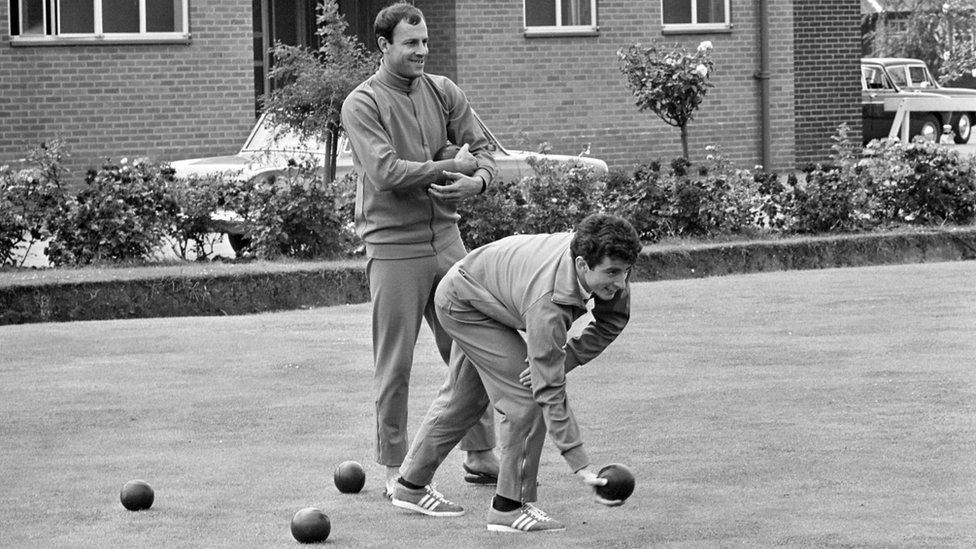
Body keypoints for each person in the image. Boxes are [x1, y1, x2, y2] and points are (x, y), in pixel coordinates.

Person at [390, 213, 643, 532]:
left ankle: (410, 485)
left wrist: (566, 358)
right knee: (525, 400)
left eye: (626, 272)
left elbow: (612, 321)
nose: (620, 283)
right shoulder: (548, 304)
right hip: (464, 301)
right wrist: (580, 465)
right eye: (612, 273)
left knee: (464, 399)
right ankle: (509, 508)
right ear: (581, 265)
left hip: (487, 293)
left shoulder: (604, 263)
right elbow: (548, 390)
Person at [339, 2, 499, 497]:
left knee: (470, 349)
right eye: (411, 43)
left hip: (448, 240)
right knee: (397, 363)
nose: (422, 51)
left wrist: (479, 181)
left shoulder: (444, 90)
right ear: (384, 46)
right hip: (393, 247)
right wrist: (445, 164)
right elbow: (385, 174)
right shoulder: (361, 103)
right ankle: (394, 469)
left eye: (425, 41)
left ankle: (479, 453)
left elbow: (486, 153)